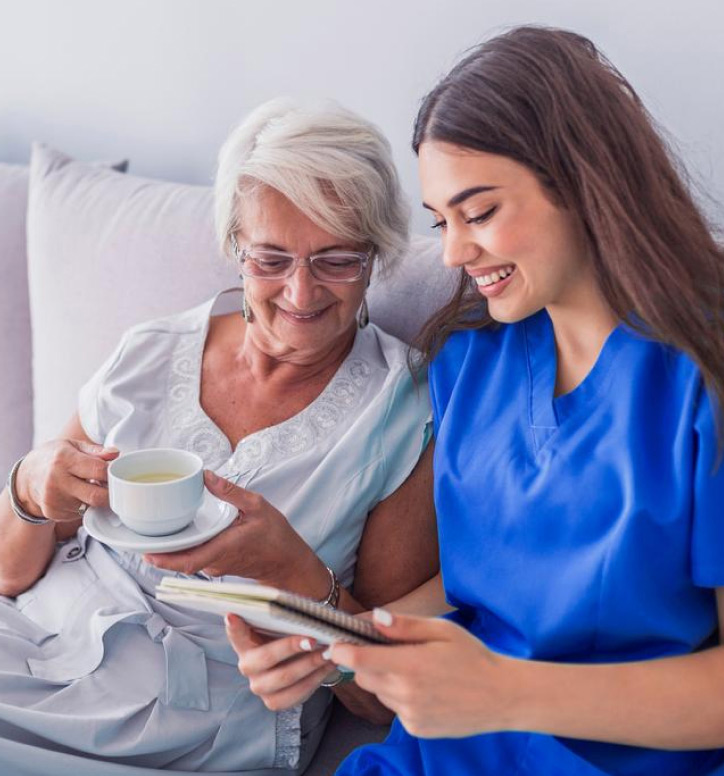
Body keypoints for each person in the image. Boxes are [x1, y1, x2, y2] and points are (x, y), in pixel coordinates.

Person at [229, 27, 724, 775]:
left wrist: (506, 694)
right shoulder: (467, 367)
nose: (454, 253)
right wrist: (332, 646)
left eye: (480, 212)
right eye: (441, 221)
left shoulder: (700, 379)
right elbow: (467, 594)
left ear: (583, 183)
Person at [0, 98, 438, 775]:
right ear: (236, 246)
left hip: (179, 713)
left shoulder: (402, 410)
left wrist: (294, 574)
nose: (299, 292)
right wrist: (32, 484)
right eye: (271, 258)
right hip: (34, 641)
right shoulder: (151, 350)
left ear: (375, 255)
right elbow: (9, 572)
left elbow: (383, 702)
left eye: (336, 260)